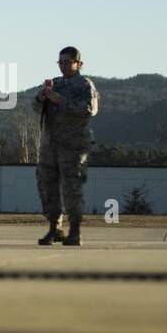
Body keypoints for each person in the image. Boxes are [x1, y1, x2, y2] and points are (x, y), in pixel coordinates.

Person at [33, 47, 100, 246]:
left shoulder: (84, 84)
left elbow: (89, 109)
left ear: (78, 64)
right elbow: (36, 108)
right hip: (50, 144)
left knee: (72, 187)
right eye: (60, 62)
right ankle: (55, 228)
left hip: (73, 145)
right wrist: (41, 96)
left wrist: (59, 99)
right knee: (46, 185)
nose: (63, 66)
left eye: (67, 62)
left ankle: (75, 231)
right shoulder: (56, 83)